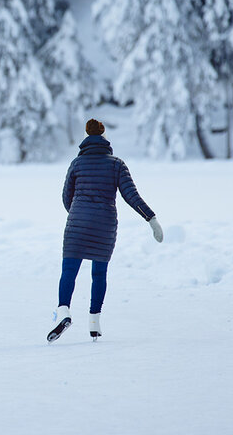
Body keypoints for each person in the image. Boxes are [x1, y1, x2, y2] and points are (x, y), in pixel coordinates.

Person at [47, 118, 163, 343]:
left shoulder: (76, 163)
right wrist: (151, 218)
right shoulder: (116, 164)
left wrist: (78, 213)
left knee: (69, 271)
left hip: (77, 224)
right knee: (98, 274)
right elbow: (131, 196)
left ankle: (63, 312)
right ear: (104, 137)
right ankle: (94, 323)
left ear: (85, 137)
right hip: (104, 225)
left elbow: (65, 197)